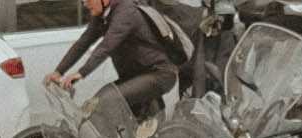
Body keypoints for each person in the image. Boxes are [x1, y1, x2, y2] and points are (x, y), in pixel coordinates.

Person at [45, 0, 194, 123]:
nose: (85, 4)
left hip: (158, 74)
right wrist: (59, 71)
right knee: (100, 103)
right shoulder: (103, 16)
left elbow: (106, 46)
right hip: (137, 76)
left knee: (106, 100)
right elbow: (82, 43)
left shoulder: (126, 12)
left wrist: (80, 73)